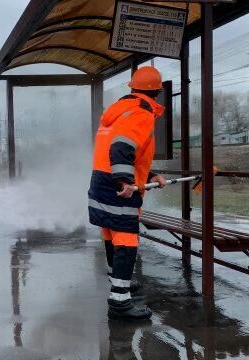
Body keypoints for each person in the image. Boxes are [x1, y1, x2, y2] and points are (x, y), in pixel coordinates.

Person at [88, 66, 167, 321]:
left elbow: (129, 149)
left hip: (101, 179)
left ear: (132, 88)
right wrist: (125, 180)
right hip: (117, 184)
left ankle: (117, 279)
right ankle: (120, 302)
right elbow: (121, 147)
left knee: (110, 230)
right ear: (157, 91)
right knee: (127, 238)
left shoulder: (119, 112)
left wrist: (149, 174)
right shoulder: (142, 114)